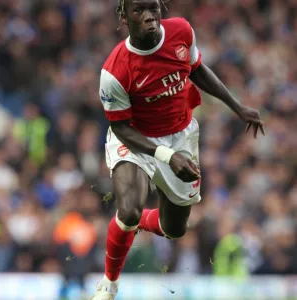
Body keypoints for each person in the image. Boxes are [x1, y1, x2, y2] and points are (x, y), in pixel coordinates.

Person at [92, 0, 265, 299]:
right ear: (124, 16)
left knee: (174, 230)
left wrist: (237, 106)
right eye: (139, 11)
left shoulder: (182, 31)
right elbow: (120, 128)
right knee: (129, 210)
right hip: (135, 139)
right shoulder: (115, 70)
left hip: (181, 137)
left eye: (153, 9)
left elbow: (196, 69)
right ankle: (108, 284)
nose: (149, 17)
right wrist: (165, 156)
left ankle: (136, 223)